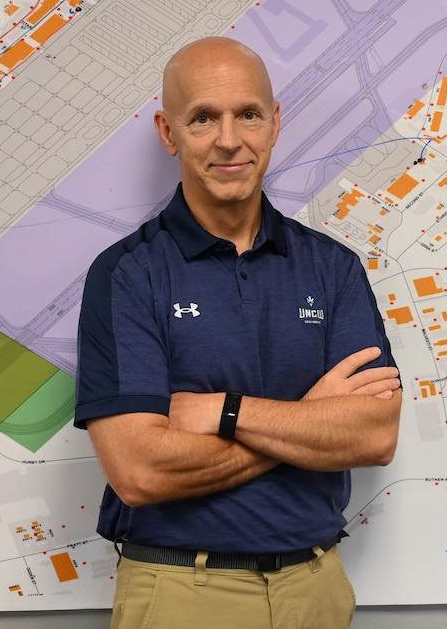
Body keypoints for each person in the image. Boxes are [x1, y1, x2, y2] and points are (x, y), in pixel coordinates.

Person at [73, 36, 402, 629]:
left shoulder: (334, 268)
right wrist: (309, 423)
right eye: (203, 118)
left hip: (316, 587)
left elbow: (373, 436)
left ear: (274, 123)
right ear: (168, 133)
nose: (229, 140)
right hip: (180, 591)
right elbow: (141, 471)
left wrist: (225, 411)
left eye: (247, 114)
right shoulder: (127, 275)